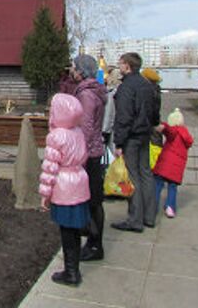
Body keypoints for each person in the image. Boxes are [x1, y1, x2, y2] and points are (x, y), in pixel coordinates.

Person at [39, 93, 91, 286]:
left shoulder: (56, 136)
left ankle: (71, 272)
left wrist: (44, 195)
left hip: (63, 187)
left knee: (66, 231)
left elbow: (49, 168)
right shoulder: (78, 132)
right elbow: (84, 156)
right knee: (74, 230)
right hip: (79, 182)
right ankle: (73, 268)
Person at [111, 52, 157, 232]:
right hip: (145, 134)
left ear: (127, 66)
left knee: (132, 176)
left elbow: (124, 117)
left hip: (131, 136)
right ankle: (149, 216)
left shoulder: (126, 88)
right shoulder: (147, 85)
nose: (119, 66)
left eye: (121, 63)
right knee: (146, 173)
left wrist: (119, 143)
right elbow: (154, 111)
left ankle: (135, 220)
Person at [69, 55, 108, 261]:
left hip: (88, 154)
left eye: (74, 67)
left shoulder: (86, 95)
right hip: (95, 151)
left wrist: (77, 157)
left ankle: (94, 245)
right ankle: (94, 242)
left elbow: (85, 129)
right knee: (95, 201)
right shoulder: (96, 91)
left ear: (81, 71)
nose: (71, 70)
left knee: (91, 201)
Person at [153, 108, 194, 218]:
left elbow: (167, 130)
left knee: (157, 185)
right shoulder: (185, 134)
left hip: (165, 165)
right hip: (176, 169)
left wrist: (161, 124)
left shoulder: (174, 132)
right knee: (172, 188)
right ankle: (170, 207)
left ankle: (153, 206)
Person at [141, 67, 163, 146]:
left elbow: (154, 109)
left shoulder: (148, 91)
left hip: (149, 124)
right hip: (153, 123)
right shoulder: (156, 89)